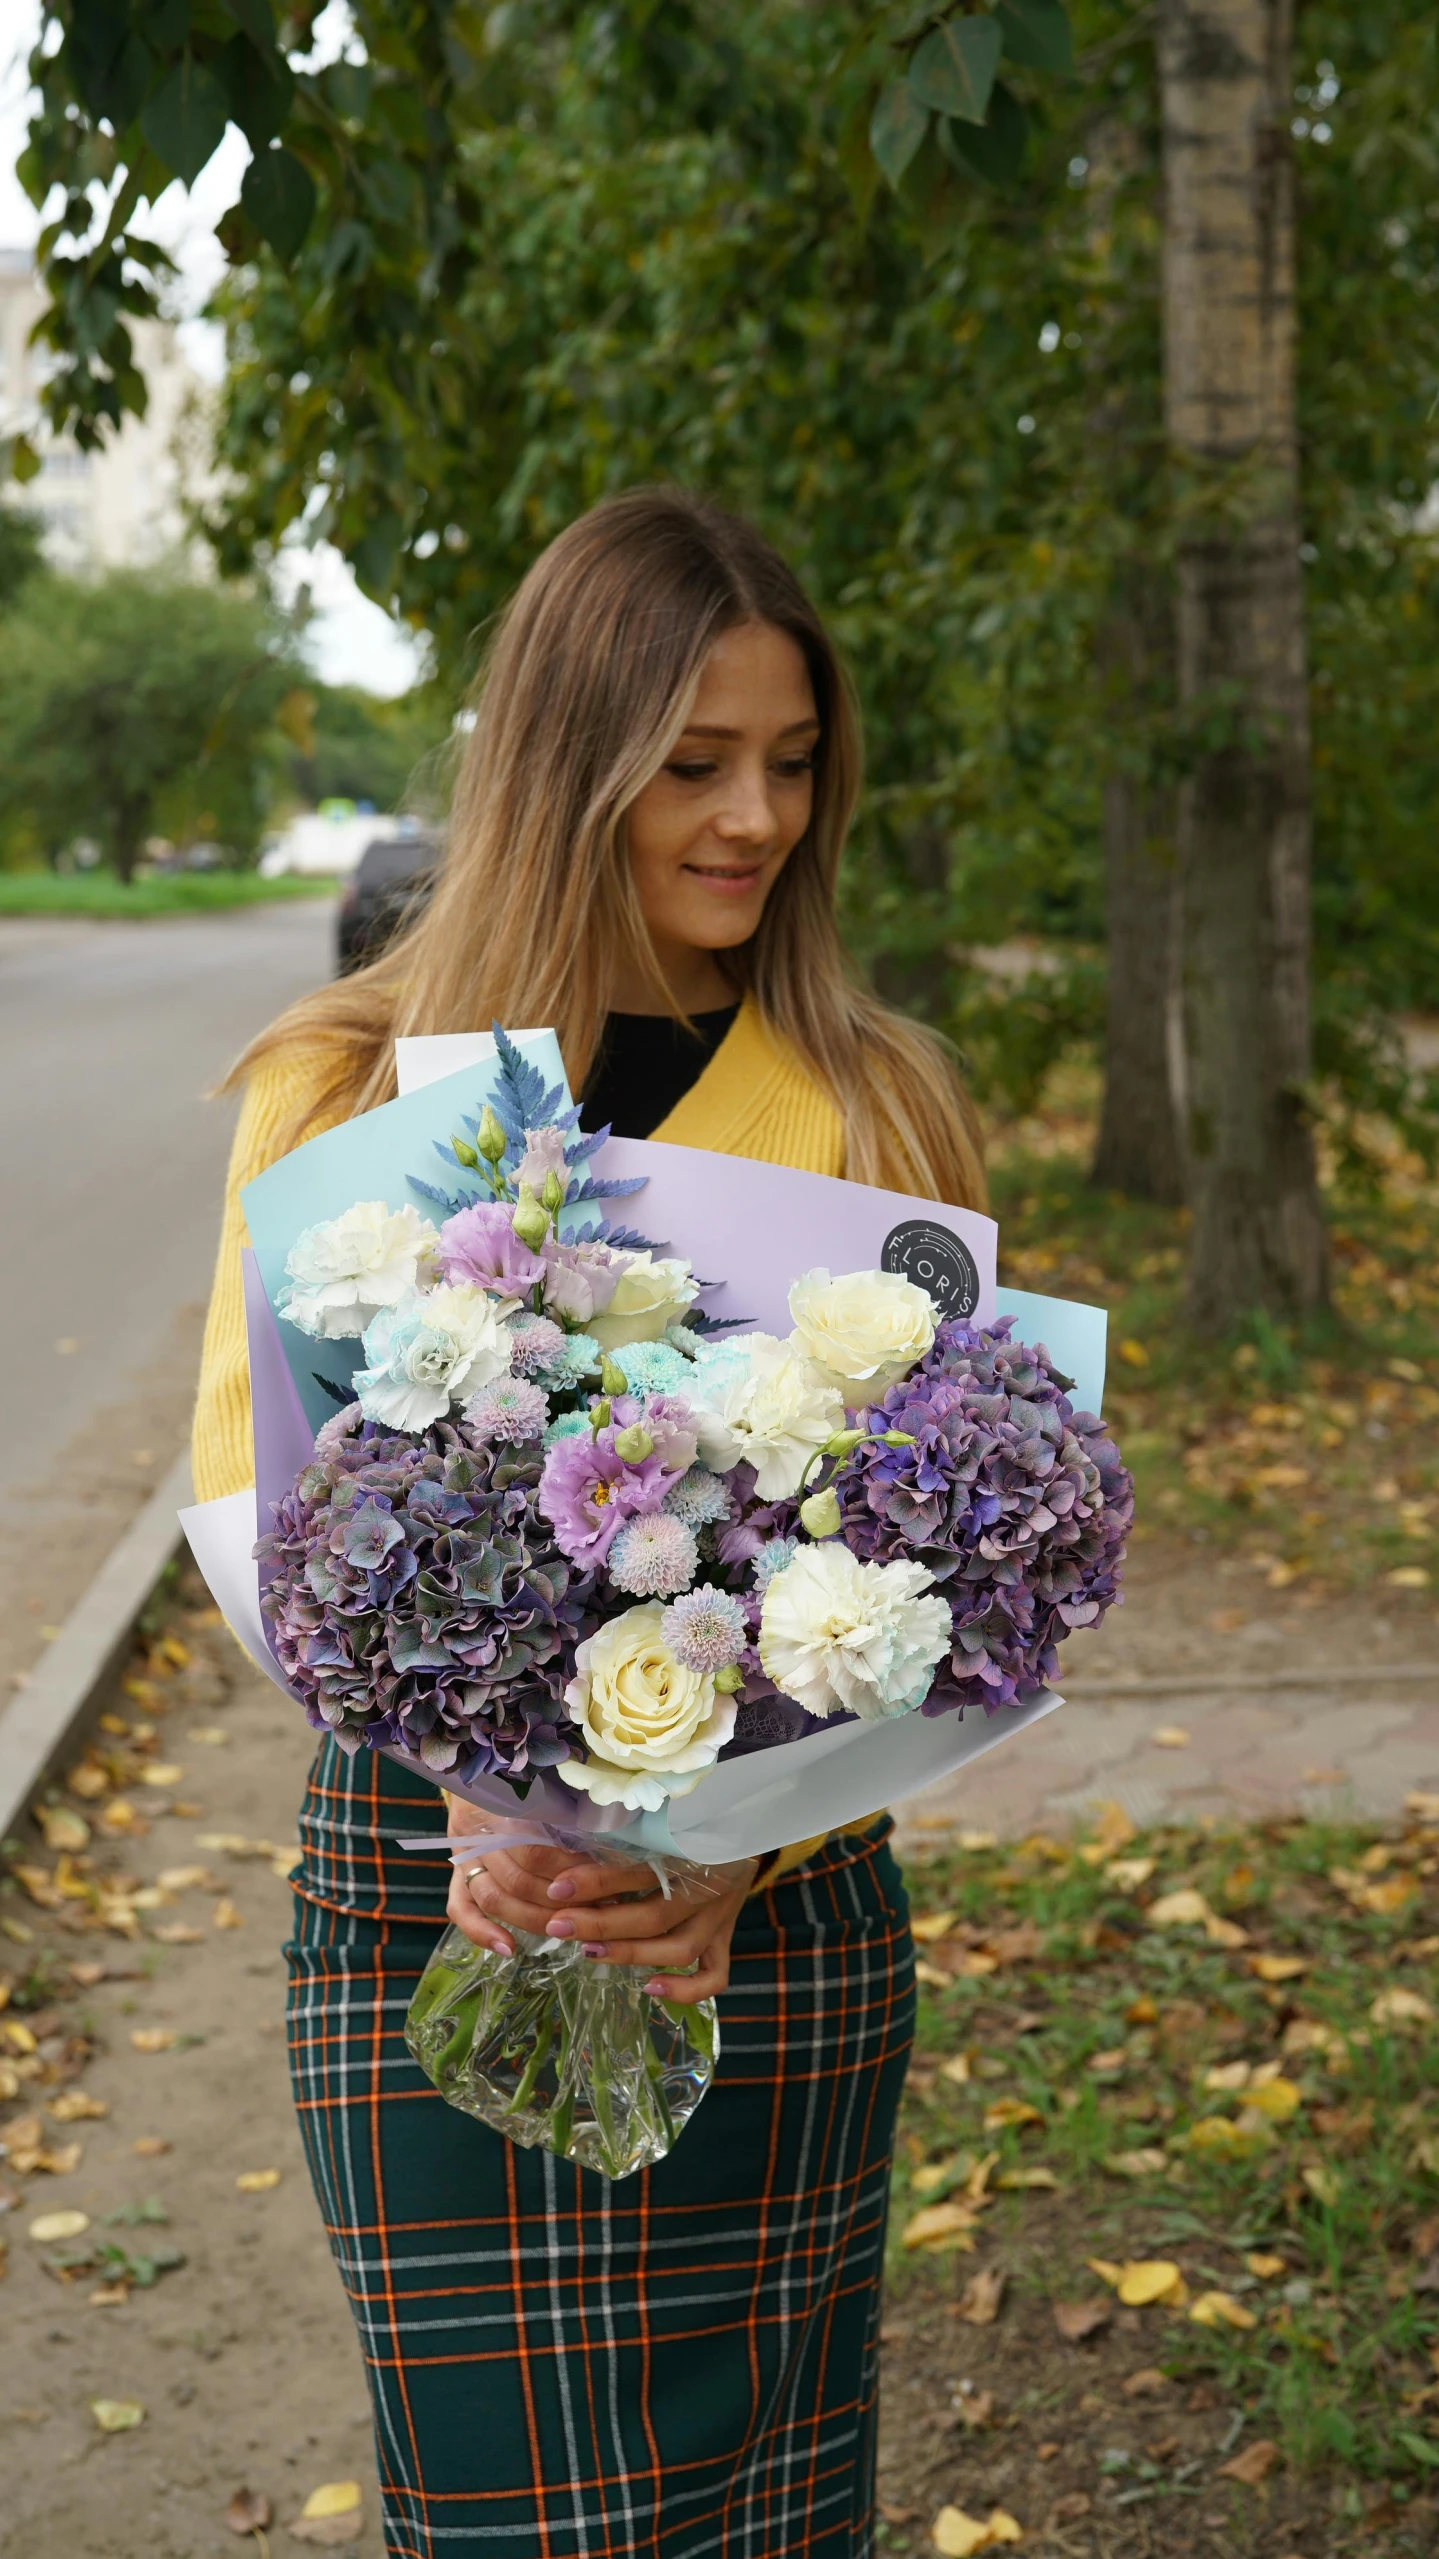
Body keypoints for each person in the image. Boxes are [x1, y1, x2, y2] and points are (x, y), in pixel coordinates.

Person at [193, 487, 987, 2559]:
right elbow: (238, 1493)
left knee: (759, 2514)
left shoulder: (872, 1106)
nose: (755, 818)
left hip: (776, 1924)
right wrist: (472, 1796)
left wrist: (743, 1848)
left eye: (793, 764)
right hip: (424, 1905)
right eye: (694, 763)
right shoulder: (345, 1090)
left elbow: (950, 1566)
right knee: (498, 2520)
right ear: (567, 763)